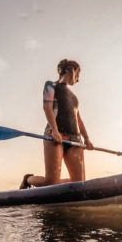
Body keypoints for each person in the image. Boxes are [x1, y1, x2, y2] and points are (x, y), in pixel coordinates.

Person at [20, 59, 94, 189]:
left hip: (75, 139)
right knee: (51, 183)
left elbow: (79, 120)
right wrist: (54, 130)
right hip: (54, 135)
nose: (78, 80)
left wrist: (87, 139)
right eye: (78, 75)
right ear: (70, 70)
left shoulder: (74, 97)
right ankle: (28, 179)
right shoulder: (50, 85)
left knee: (79, 184)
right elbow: (47, 107)